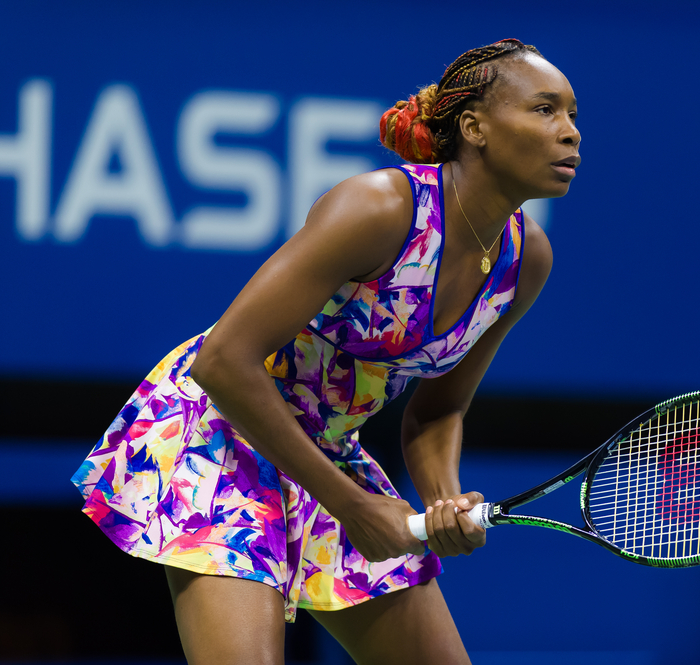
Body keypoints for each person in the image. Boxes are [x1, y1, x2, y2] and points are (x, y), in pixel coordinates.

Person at [71, 38, 580, 665]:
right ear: (474, 127)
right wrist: (353, 506)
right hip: (220, 433)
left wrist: (444, 499)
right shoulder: (380, 207)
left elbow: (439, 412)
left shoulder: (524, 260)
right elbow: (223, 361)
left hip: (328, 451)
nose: (569, 134)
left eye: (573, 116)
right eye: (545, 110)